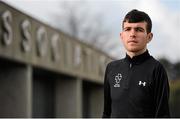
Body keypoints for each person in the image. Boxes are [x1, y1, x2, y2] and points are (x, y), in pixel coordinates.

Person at [102, 9, 170, 118]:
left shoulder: (157, 70)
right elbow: (106, 113)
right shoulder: (111, 68)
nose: (132, 34)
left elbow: (163, 115)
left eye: (139, 29)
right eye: (128, 29)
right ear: (122, 36)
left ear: (149, 37)